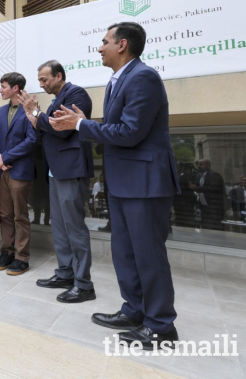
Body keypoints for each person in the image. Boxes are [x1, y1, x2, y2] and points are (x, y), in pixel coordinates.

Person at [49, 22, 180, 350]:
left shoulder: (143, 77)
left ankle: (161, 326)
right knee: (125, 253)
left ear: (122, 45)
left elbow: (132, 132)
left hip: (145, 184)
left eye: (104, 41)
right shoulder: (118, 80)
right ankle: (134, 311)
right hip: (124, 184)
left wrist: (82, 124)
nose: (99, 47)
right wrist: (90, 123)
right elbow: (120, 126)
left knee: (148, 256)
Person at [20, 60, 95, 304]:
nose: (41, 84)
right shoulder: (55, 100)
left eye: (44, 79)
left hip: (71, 169)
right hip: (55, 171)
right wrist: (36, 116)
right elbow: (44, 127)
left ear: (59, 75)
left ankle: (83, 285)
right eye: (39, 80)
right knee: (60, 226)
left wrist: (35, 113)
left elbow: (61, 128)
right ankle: (65, 274)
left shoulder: (76, 94)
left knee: (74, 227)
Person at [0, 72, 36, 276]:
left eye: (3, 86)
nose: (0, 90)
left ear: (15, 88)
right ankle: (7, 252)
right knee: (5, 215)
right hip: (2, 172)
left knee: (20, 216)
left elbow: (32, 140)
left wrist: (6, 157)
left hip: (20, 171)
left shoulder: (30, 110)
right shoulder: (0, 112)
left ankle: (22, 257)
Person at [190, 159, 225, 231]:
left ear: (208, 165)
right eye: (198, 164)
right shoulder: (199, 175)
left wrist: (197, 188)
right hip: (204, 206)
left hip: (214, 207)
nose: (199, 166)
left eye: (201, 164)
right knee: (205, 227)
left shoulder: (214, 175)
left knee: (214, 227)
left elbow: (213, 188)